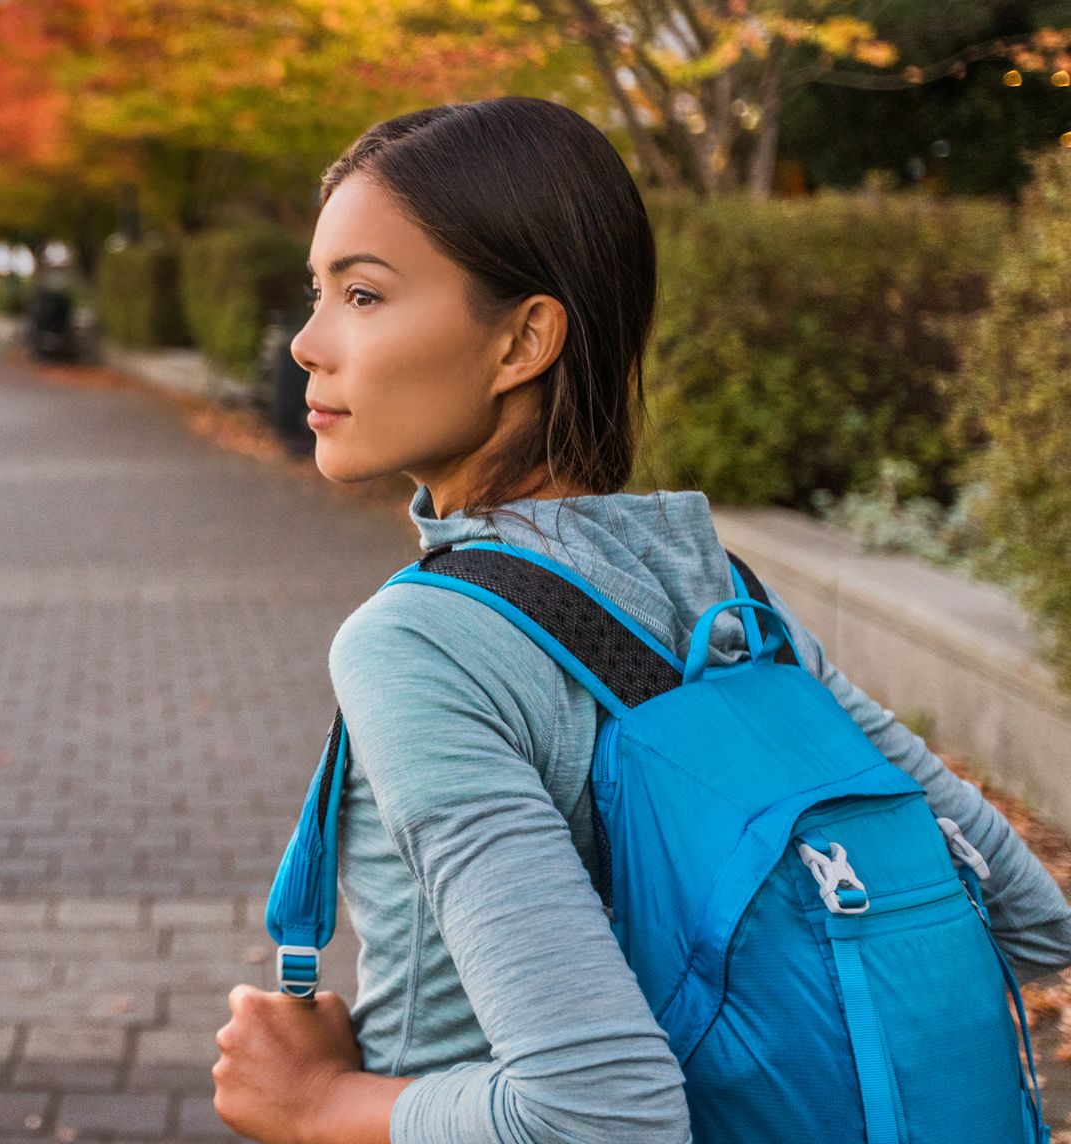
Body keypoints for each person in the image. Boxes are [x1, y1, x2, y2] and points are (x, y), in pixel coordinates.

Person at [208, 96, 1071, 1143]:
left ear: (524, 338)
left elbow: (600, 1113)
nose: (307, 343)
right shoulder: (731, 602)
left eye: (362, 294)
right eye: (318, 294)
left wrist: (319, 1103)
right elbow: (1025, 913)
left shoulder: (425, 645)